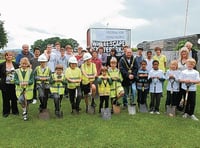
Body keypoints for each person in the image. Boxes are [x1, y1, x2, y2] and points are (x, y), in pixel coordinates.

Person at [0, 51, 19, 117]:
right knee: (5, 99)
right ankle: (6, 112)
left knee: (14, 98)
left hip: (14, 84)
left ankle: (15, 111)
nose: (9, 56)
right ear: (5, 56)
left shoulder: (16, 64)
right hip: (5, 84)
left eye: (10, 55)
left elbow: (18, 74)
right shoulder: (2, 65)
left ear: (12, 56)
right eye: (7, 55)